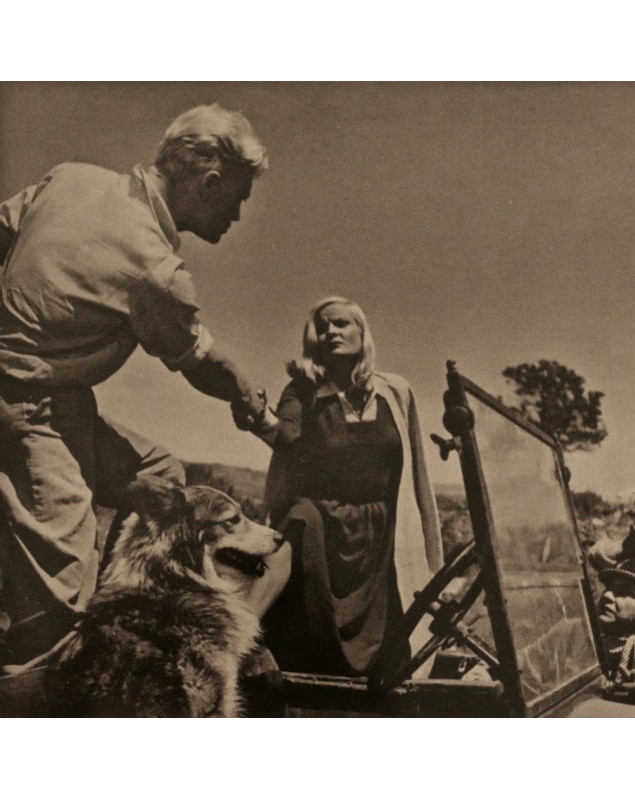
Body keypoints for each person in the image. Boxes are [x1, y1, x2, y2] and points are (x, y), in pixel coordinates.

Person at [0, 104, 276, 669]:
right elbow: (201, 361)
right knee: (60, 589)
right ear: (209, 183)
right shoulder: (154, 267)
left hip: (64, 404)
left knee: (162, 480)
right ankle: (40, 679)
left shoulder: (71, 177)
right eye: (238, 198)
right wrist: (249, 398)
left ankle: (118, 617)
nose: (238, 215)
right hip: (27, 410)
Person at [248, 296, 443, 676]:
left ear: (362, 332)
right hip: (323, 523)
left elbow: (415, 468)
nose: (331, 332)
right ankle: (240, 633)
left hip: (381, 530)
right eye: (323, 327)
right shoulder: (303, 390)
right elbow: (285, 435)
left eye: (341, 323)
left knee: (398, 650)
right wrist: (259, 416)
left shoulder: (395, 391)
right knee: (300, 520)